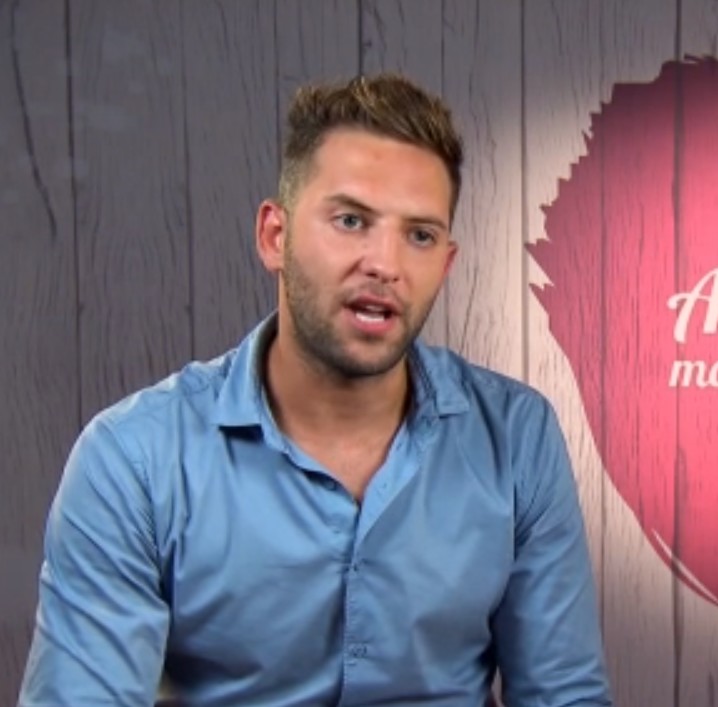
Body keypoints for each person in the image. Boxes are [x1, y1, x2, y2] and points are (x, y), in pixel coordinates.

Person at [19, 73, 613, 706]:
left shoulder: (516, 437)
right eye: (351, 220)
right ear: (274, 237)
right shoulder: (134, 458)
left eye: (419, 234)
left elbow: (563, 694)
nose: (385, 264)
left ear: (445, 263)